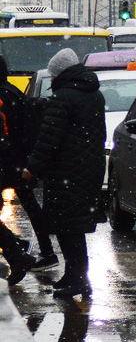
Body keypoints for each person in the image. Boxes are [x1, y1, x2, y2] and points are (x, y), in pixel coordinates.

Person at [22, 49, 105, 300]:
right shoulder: (93, 95)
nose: (50, 80)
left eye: (52, 76)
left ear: (59, 74)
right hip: (87, 168)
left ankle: (78, 279)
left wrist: (32, 168)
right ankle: (75, 275)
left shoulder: (63, 98)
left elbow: (49, 139)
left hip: (66, 171)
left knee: (68, 227)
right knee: (73, 225)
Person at [0, 56, 57, 273]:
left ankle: (16, 249)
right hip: (20, 160)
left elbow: (3, 134)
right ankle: (46, 251)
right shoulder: (14, 92)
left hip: (6, 162)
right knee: (32, 208)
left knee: (30, 207)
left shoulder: (2, 97)